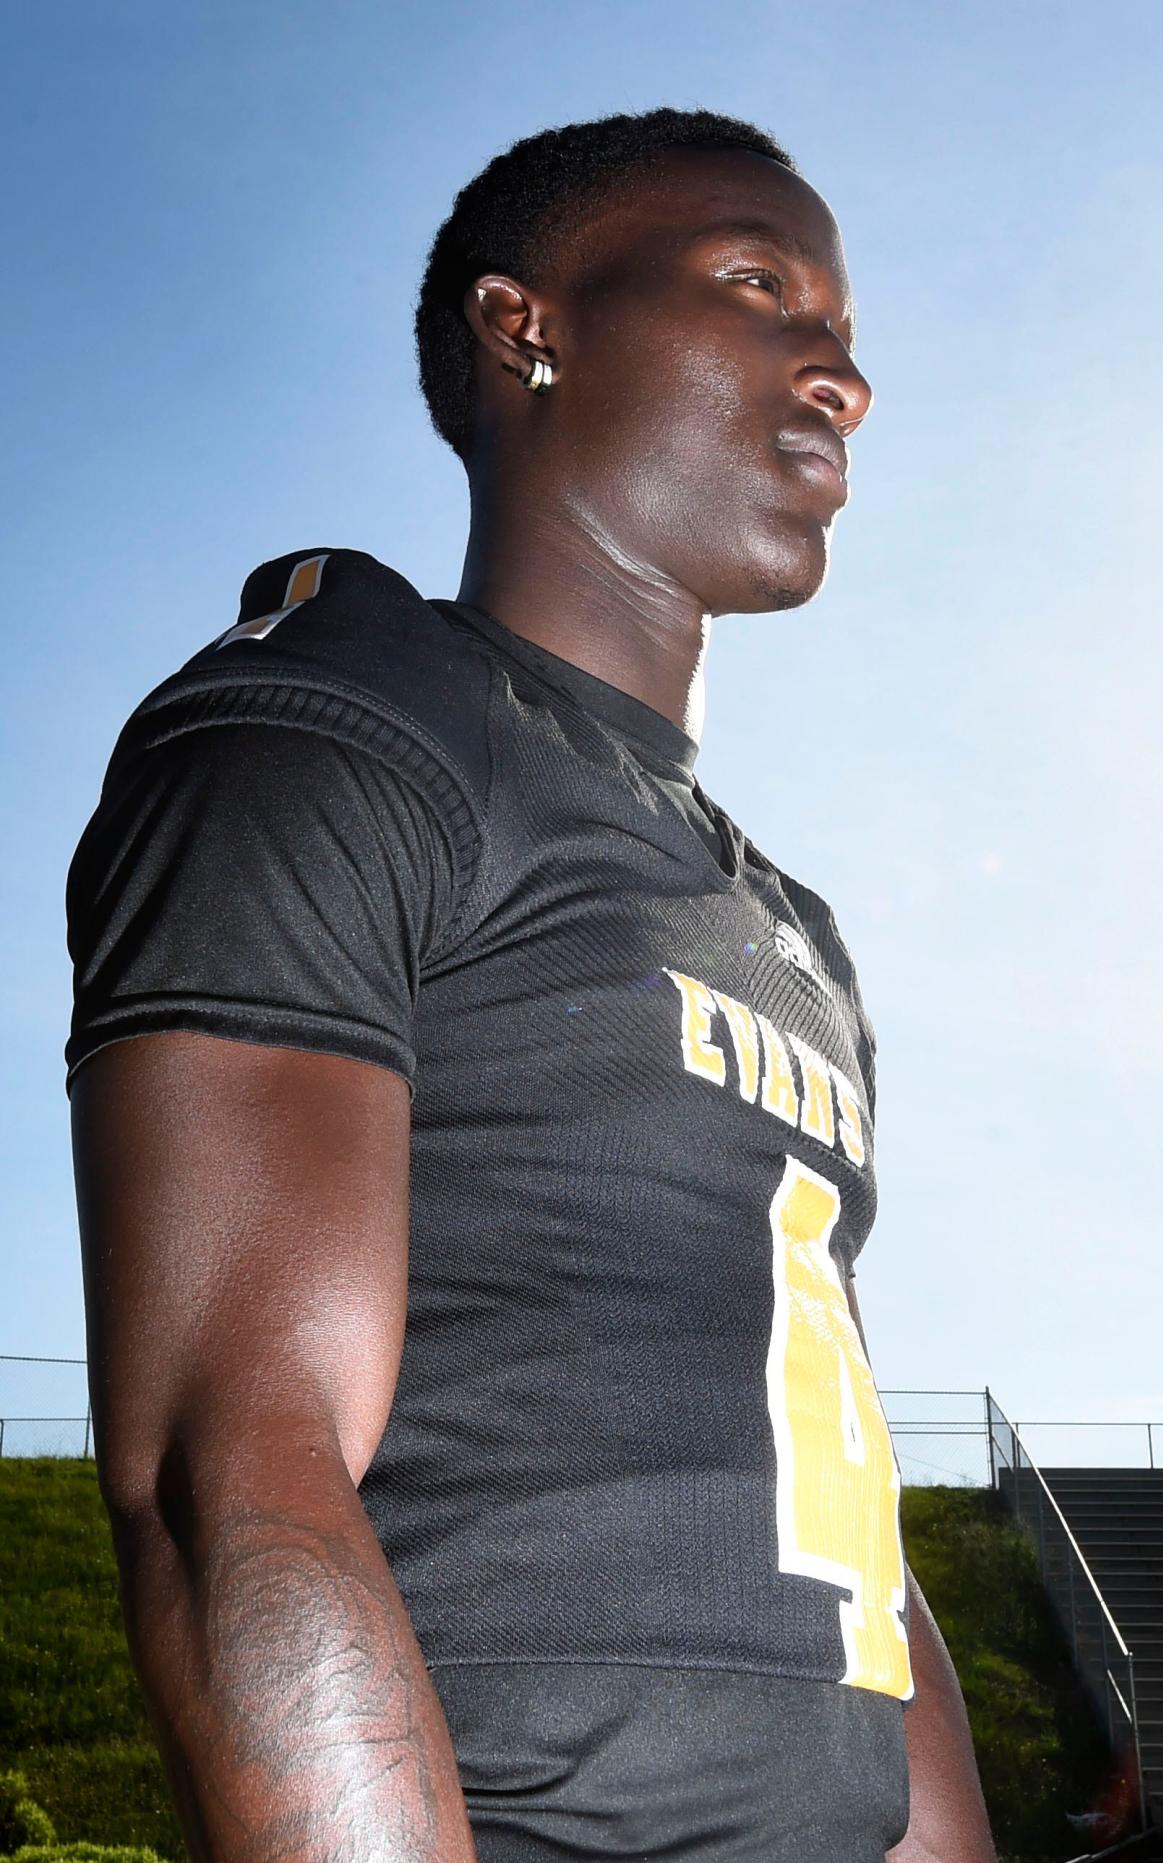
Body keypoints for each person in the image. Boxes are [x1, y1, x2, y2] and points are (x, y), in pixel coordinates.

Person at [65, 107, 996, 1862]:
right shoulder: (353, 716)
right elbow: (230, 1468)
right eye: (758, 284)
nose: (841, 375)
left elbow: (843, 1512)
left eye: (850, 332)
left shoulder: (787, 922)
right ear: (529, 326)